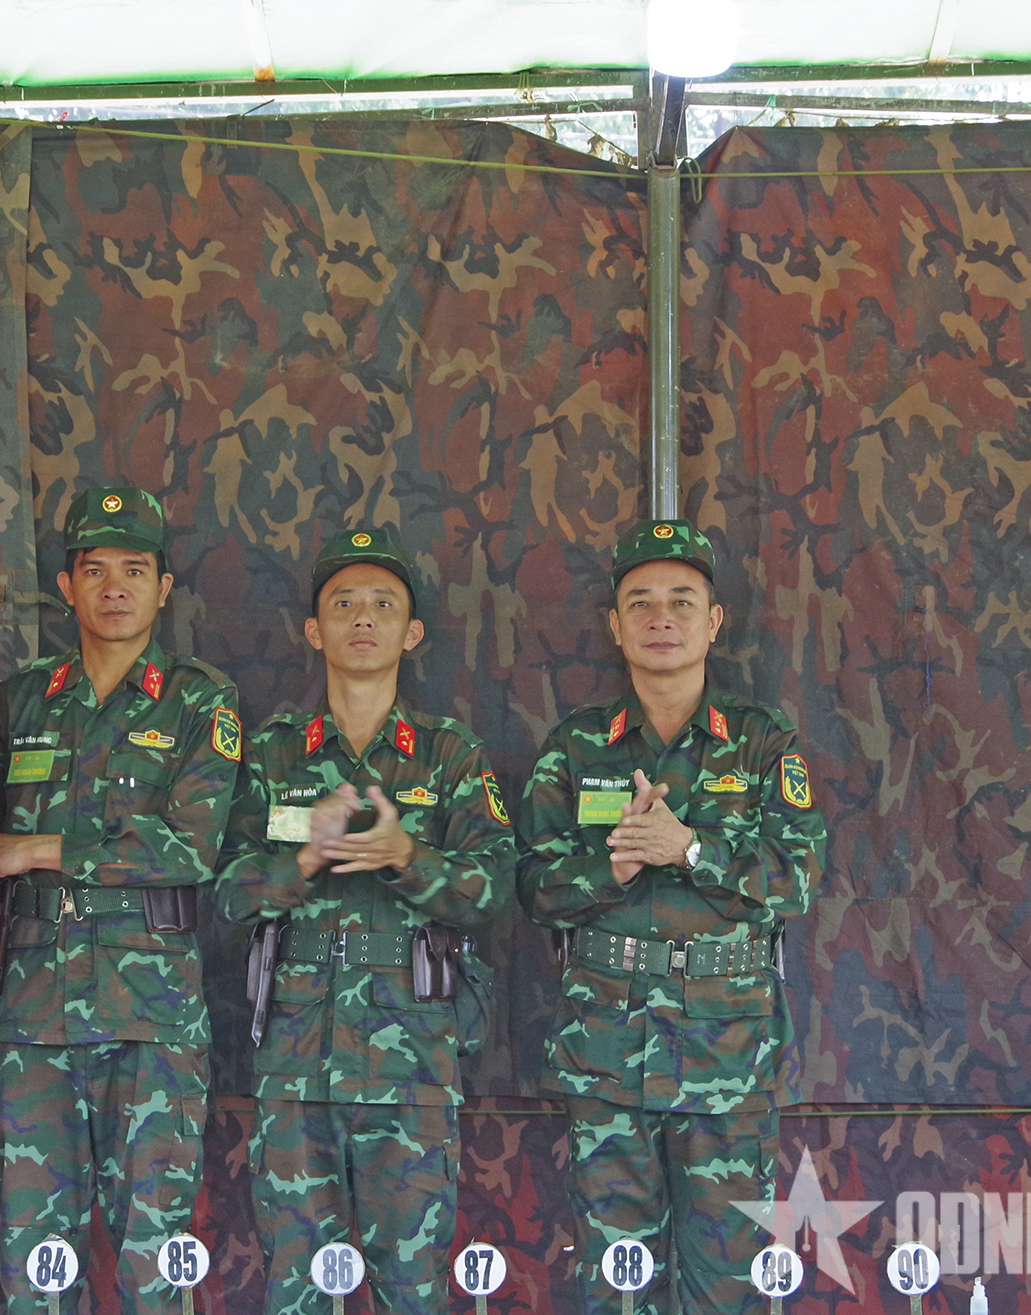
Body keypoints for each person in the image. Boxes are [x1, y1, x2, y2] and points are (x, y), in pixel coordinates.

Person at [0, 487, 240, 1315]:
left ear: (163, 587)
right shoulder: (16, 703)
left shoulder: (201, 701)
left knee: (154, 1265)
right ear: (66, 586)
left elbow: (189, 848)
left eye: (134, 569)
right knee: (34, 1265)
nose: (114, 586)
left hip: (153, 1019)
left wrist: (39, 849)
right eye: (94, 569)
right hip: (29, 1019)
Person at [518, 520, 826, 1315]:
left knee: (731, 1279)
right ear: (615, 625)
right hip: (606, 1046)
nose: (662, 617)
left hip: (727, 1050)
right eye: (641, 602)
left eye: (682, 600)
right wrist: (612, 866)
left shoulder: (761, 743)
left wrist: (689, 848)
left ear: (714, 621)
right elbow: (531, 886)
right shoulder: (577, 746)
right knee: (616, 1278)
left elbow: (797, 878)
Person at [219, 527, 517, 1315]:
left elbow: (494, 887)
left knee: (412, 1287)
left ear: (411, 632)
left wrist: (404, 854)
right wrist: (305, 858)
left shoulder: (450, 755)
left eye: (384, 604)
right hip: (297, 1056)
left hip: (412, 1056)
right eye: (343, 603)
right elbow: (226, 891)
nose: (363, 617)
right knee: (297, 1285)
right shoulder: (275, 753)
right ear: (313, 630)